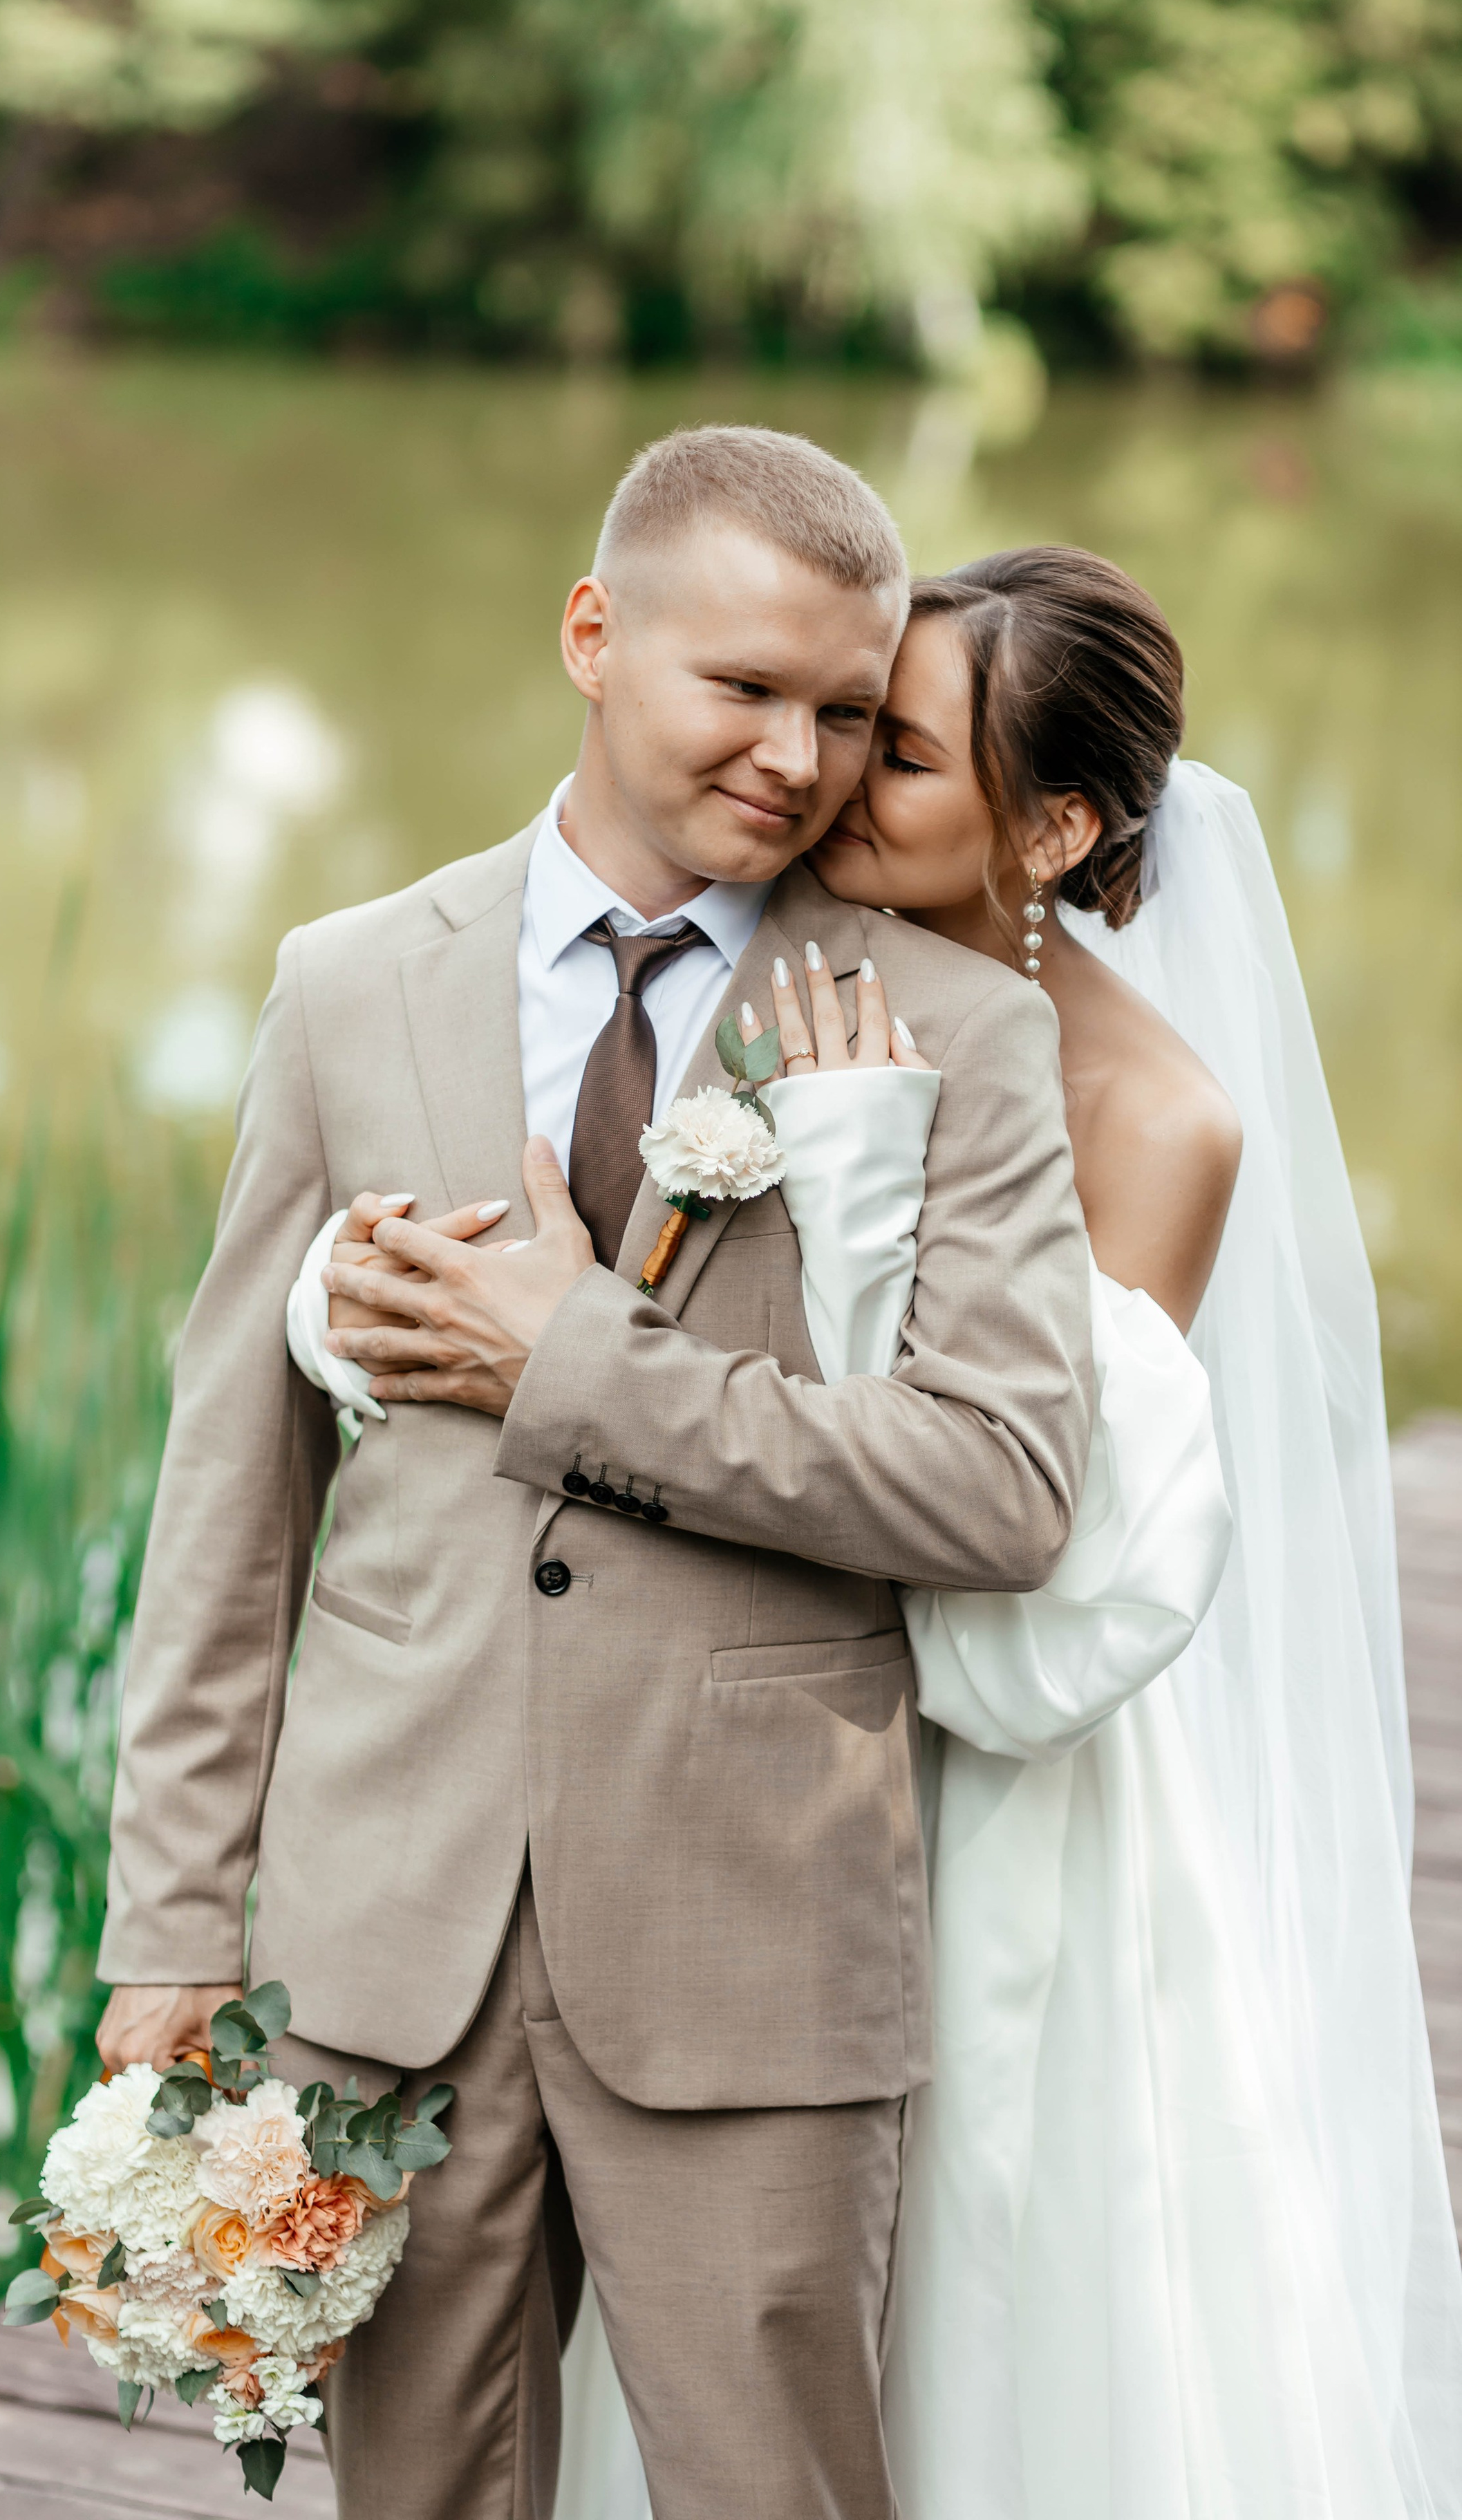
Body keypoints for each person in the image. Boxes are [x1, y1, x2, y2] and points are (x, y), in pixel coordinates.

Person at [93, 427, 1097, 2520]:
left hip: (753, 1930)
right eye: (742, 689)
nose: (799, 757)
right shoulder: (350, 982)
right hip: (387, 1928)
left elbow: (1002, 1489)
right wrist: (170, 1916)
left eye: (845, 711)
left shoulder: (950, 1034)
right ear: (592, 633)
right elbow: (235, 1482)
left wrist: (581, 1365)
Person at [548, 548, 1462, 2518]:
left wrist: (868, 1188)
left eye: (902, 756)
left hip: (991, 1792)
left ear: (1051, 825)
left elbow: (1019, 1543)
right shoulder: (769, 950)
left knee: (976, 2314)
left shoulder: (1158, 1119)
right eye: (850, 723)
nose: (831, 779)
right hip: (734, 1735)